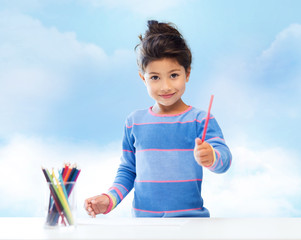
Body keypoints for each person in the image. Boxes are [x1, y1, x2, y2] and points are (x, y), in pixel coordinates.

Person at [84, 20, 232, 218]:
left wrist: (212, 157)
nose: (165, 87)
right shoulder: (134, 122)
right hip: (145, 225)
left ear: (187, 73)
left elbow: (224, 161)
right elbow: (128, 170)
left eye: (173, 75)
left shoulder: (200, 120)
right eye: (155, 77)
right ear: (142, 78)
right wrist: (110, 199)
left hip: (191, 224)